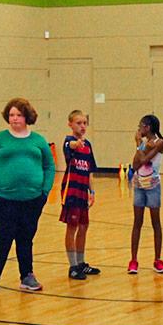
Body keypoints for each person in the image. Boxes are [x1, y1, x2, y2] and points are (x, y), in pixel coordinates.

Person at [0, 98, 55, 293]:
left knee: (25, 238)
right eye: (11, 115)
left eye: (19, 115)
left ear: (27, 116)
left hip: (32, 199)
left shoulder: (38, 140)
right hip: (4, 199)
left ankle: (27, 276)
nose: (14, 119)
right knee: (2, 239)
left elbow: (49, 166)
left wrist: (45, 191)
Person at [59, 110, 99, 280]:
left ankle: (81, 263)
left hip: (83, 191)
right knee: (72, 227)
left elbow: (89, 171)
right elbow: (71, 147)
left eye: (84, 123)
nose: (82, 126)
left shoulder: (88, 145)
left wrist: (92, 191)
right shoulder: (69, 141)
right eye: (78, 123)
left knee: (84, 226)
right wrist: (76, 144)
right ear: (70, 124)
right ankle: (73, 266)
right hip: (72, 191)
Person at [128, 114, 163, 274]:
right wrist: (140, 147)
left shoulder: (159, 142)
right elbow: (135, 164)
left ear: (148, 127)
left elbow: (144, 160)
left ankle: (158, 259)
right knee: (137, 222)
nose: (139, 130)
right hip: (139, 184)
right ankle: (133, 260)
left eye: (141, 126)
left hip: (153, 186)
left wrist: (139, 146)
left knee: (155, 222)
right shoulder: (144, 144)